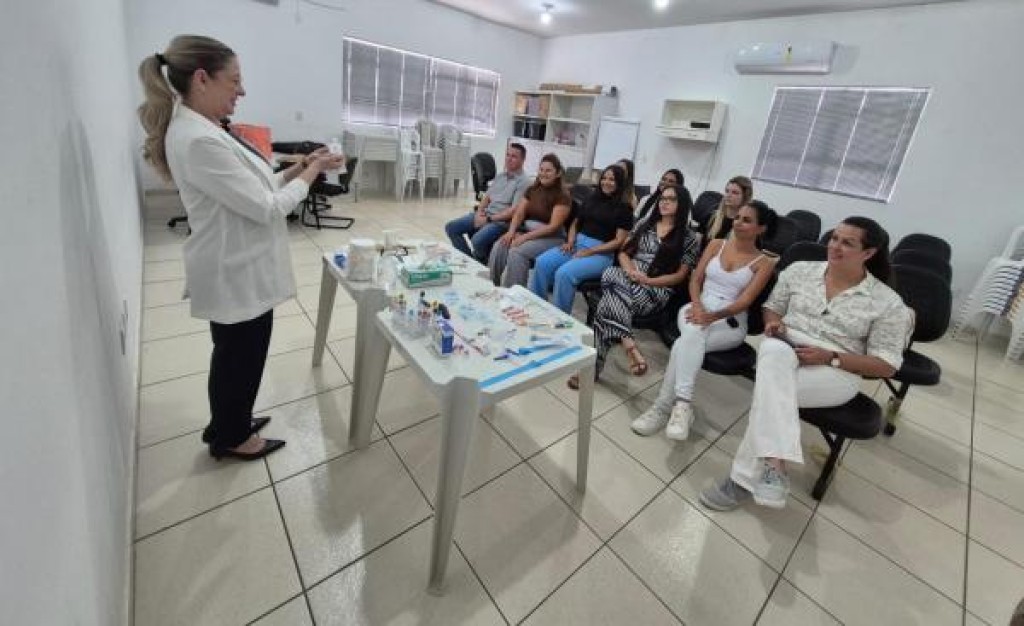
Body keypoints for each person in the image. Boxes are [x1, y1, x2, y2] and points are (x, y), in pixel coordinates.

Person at [137, 35, 344, 460]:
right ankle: (232, 438)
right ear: (201, 79)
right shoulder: (197, 139)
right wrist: (313, 174)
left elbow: (260, 184)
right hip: (233, 269)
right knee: (239, 358)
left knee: (238, 355)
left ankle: (229, 422)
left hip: (237, 265)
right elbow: (268, 207)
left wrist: (302, 165)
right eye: (234, 80)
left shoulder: (206, 129)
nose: (242, 90)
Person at [699, 217, 912, 510]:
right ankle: (773, 467)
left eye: (847, 243)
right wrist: (773, 324)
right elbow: (772, 308)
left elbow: (886, 365)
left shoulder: (888, 302)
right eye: (834, 238)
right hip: (786, 345)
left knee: (771, 396)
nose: (835, 246)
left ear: (869, 252)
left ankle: (744, 479)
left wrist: (831, 357)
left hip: (839, 367)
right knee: (773, 356)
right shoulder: (800, 271)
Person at [631, 201, 777, 439]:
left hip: (729, 320)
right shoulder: (716, 244)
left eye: (747, 220)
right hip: (696, 307)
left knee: (684, 343)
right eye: (738, 217)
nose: (738, 223)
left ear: (761, 228)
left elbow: (746, 301)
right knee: (693, 333)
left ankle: (662, 408)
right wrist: (699, 307)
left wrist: (713, 316)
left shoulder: (764, 263)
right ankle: (682, 405)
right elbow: (695, 280)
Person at [569, 184, 700, 388]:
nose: (664, 202)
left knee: (606, 303)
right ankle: (628, 343)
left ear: (682, 204)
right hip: (627, 277)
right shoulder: (645, 224)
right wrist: (630, 270)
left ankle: (594, 367)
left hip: (655, 289)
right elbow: (623, 252)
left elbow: (679, 276)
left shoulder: (689, 238)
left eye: (671, 199)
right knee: (612, 274)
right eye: (663, 198)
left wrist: (647, 280)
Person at [530, 165, 633, 313]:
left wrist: (591, 251)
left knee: (564, 274)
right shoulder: (592, 198)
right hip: (577, 244)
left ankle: (559, 316)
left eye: (612, 179)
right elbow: (575, 223)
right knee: (542, 262)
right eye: (604, 178)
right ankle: (535, 306)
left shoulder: (625, 208)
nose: (606, 182)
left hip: (601, 254)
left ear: (619, 183)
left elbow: (618, 241)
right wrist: (571, 241)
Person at [488, 153, 572, 287]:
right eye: (541, 170)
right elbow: (519, 214)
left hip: (552, 238)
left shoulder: (563, 196)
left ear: (558, 173)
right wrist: (511, 232)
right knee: (501, 244)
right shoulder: (532, 190)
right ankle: (494, 285)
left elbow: (553, 227)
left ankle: (515, 292)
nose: (543, 173)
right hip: (530, 233)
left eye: (548, 170)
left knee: (517, 252)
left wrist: (525, 237)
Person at [444, 143, 530, 262]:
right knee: (451, 227)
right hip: (487, 215)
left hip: (501, 222)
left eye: (514, 156)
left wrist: (489, 219)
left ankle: (481, 260)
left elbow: (514, 210)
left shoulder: (524, 182)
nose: (509, 159)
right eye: (508, 155)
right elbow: (487, 197)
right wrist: (479, 212)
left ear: (523, 160)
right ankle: (471, 261)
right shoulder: (500, 176)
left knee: (477, 240)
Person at [698, 176, 754, 241]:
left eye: (735, 193)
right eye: (727, 191)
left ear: (745, 197)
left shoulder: (747, 226)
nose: (728, 195)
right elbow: (698, 240)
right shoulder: (712, 216)